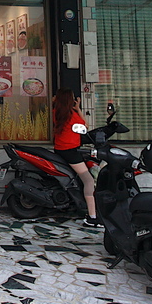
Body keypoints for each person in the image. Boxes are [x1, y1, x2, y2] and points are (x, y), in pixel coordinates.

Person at [52, 88, 99, 227]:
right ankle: (92, 216)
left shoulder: (57, 112)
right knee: (89, 180)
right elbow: (86, 125)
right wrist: (78, 109)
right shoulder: (72, 116)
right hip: (70, 151)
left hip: (60, 149)